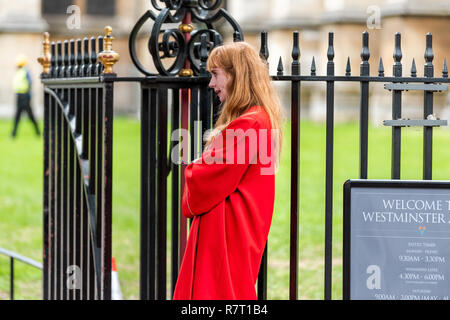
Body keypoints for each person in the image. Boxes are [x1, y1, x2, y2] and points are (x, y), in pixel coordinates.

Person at [173, 42, 284, 300]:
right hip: (235, 230)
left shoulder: (251, 122)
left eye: (216, 74)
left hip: (227, 234)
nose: (211, 84)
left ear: (237, 76)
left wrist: (195, 166)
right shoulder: (259, 119)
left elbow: (202, 178)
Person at [11, 54, 40, 138]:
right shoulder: (20, 71)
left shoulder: (25, 71)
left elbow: (30, 83)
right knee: (17, 115)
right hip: (19, 96)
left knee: (30, 115)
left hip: (24, 96)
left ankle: (37, 132)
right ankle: (14, 133)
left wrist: (28, 95)